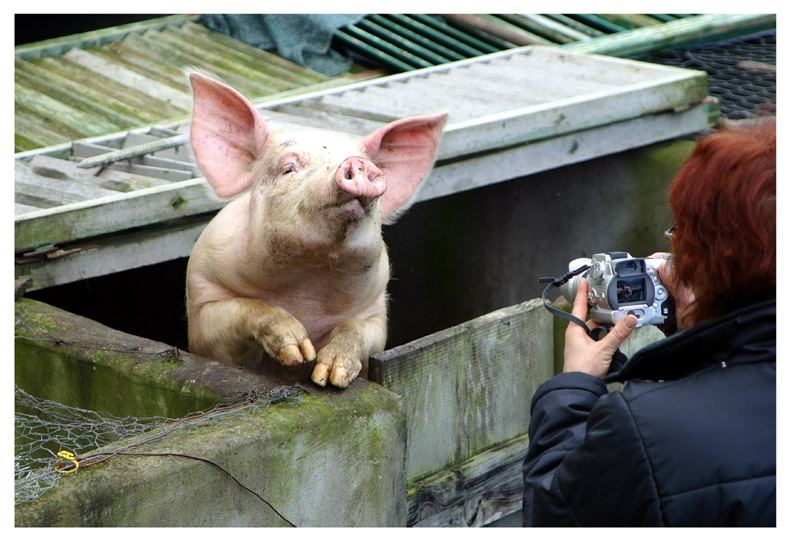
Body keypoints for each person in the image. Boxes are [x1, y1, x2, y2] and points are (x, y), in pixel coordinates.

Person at [522, 118, 776, 526]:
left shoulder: (644, 430)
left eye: (681, 234)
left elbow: (555, 514)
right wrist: (698, 336)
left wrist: (572, 390)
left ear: (702, 258)